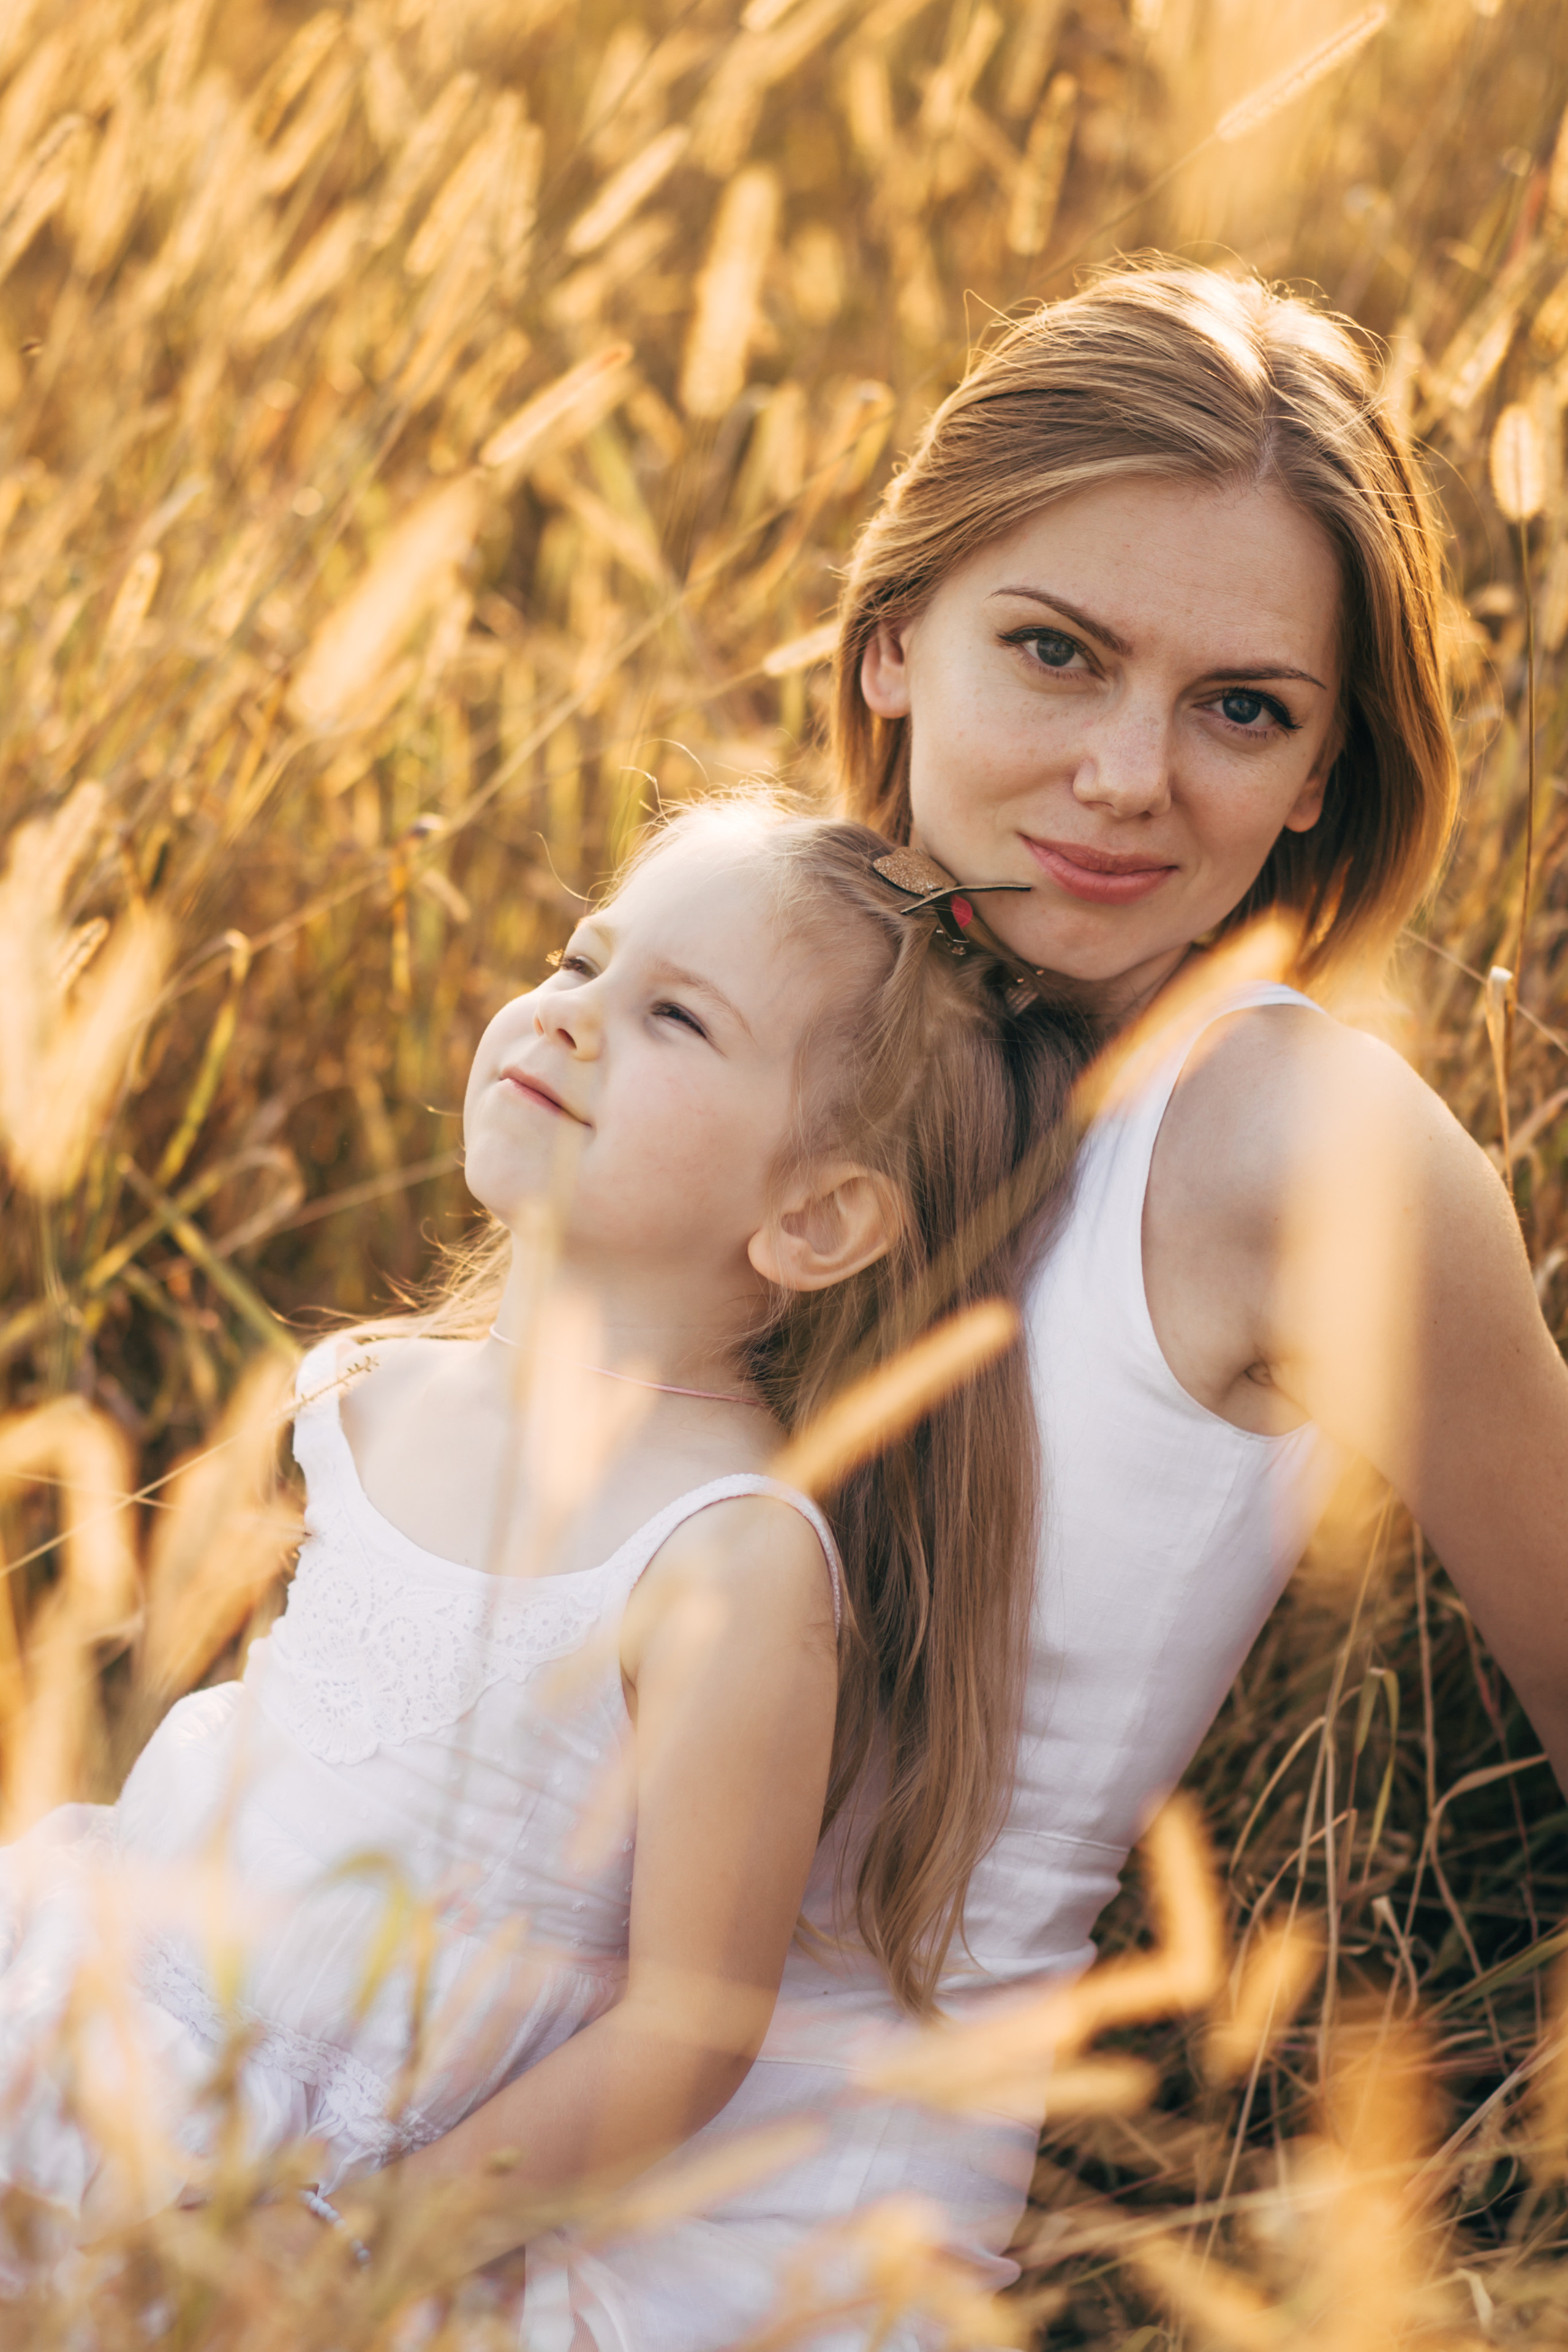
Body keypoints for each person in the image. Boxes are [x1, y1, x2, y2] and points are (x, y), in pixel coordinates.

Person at [542, 264, 1568, 2347]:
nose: (1124, 776)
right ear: (893, 639)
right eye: (1057, 652)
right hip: (387, 2048)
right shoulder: (735, 989)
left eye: (1242, 708)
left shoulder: (1294, 1149)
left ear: (1324, 774)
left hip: (766, 2236)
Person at [0, 798, 1084, 2301]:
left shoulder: (723, 1560)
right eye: (581, 960)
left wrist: (358, 2246)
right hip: (92, 1995)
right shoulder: (372, 1394)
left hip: (302, 2183)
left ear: (816, 1217)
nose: (569, 1013)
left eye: (673, 1017)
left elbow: (689, 2025)